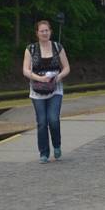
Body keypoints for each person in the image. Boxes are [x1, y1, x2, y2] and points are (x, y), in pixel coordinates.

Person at [22, 20, 71, 163]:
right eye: (42, 31)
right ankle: (44, 153)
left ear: (51, 31)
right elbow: (25, 70)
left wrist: (58, 77)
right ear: (37, 33)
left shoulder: (57, 47)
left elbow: (67, 67)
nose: (45, 33)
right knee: (42, 121)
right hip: (37, 89)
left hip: (55, 88)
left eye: (47, 30)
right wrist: (39, 78)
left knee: (53, 119)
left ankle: (57, 145)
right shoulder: (30, 49)